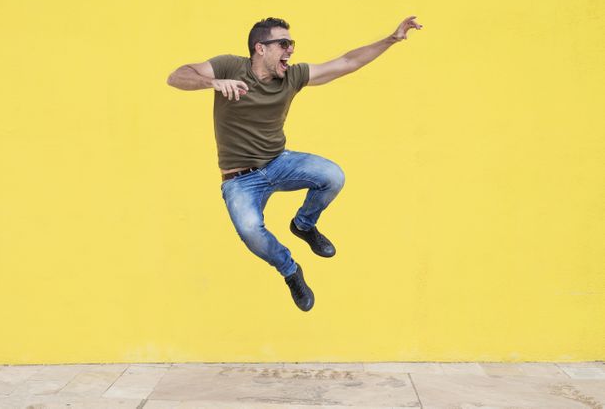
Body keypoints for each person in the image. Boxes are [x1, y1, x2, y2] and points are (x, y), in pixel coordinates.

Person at [167, 16, 423, 311]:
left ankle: (303, 225)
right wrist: (212, 82)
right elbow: (176, 76)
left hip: (279, 163)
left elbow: (346, 62)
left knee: (332, 176)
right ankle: (290, 271)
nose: (291, 50)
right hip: (239, 180)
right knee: (250, 230)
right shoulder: (229, 67)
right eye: (284, 44)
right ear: (260, 48)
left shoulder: (292, 76)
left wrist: (391, 39)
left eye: (292, 44)